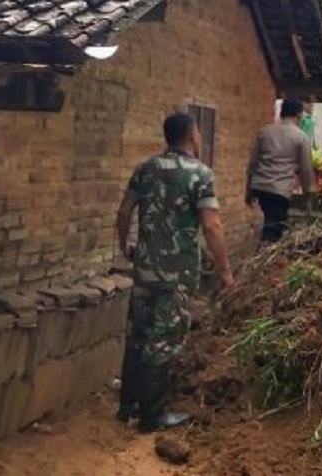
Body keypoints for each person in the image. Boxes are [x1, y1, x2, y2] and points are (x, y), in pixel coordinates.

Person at [115, 112, 235, 431]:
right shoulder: (200, 174)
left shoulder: (145, 169)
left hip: (144, 270)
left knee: (138, 334)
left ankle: (126, 407)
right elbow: (211, 225)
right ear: (192, 135)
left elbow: (125, 210)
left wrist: (125, 246)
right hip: (176, 275)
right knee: (164, 340)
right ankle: (152, 417)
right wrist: (225, 271)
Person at [245, 97, 315, 244]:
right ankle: (263, 263)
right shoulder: (300, 137)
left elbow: (253, 163)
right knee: (273, 232)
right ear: (299, 114)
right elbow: (306, 170)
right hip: (279, 191)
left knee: (268, 225)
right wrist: (307, 196)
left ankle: (262, 257)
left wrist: (248, 189)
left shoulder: (264, 131)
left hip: (259, 187)